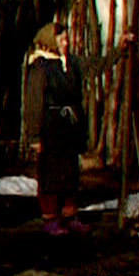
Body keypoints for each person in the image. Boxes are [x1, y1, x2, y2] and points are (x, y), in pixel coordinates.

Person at [22, 21, 89, 236]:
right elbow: (34, 102)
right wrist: (34, 136)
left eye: (67, 39)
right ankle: (50, 218)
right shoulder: (40, 66)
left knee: (70, 173)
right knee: (51, 174)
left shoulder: (70, 63)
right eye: (61, 39)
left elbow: (95, 65)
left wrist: (120, 50)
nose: (66, 43)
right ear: (51, 41)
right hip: (50, 128)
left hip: (68, 127)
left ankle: (70, 216)